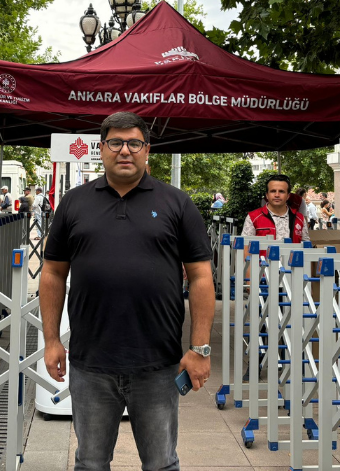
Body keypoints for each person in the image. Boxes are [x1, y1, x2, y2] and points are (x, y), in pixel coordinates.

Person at [41, 111, 214, 470]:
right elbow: (53, 273)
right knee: (90, 463)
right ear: (101, 149)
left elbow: (200, 277)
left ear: (147, 149)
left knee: (161, 464)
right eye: (115, 143)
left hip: (158, 364)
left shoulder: (177, 203)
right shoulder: (74, 203)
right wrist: (52, 339)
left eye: (134, 143)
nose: (125, 151)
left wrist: (199, 348)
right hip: (91, 363)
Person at [242, 174, 310, 243]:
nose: (277, 195)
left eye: (281, 191)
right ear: (267, 195)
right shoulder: (253, 217)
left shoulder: (299, 218)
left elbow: (306, 247)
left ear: (288, 196)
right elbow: (245, 247)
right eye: (273, 191)